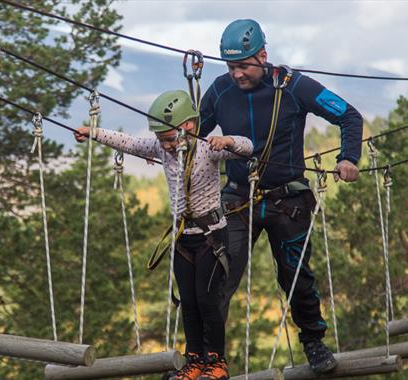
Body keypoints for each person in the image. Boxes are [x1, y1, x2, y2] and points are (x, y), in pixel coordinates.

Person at [199, 19, 363, 374]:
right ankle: (207, 359)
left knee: (295, 275)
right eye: (231, 66)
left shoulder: (294, 86)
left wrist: (348, 157)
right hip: (237, 199)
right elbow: (192, 134)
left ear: (263, 55)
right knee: (219, 275)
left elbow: (349, 116)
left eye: (243, 65)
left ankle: (313, 343)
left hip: (287, 201)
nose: (237, 74)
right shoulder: (218, 90)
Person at [75, 90, 253, 380]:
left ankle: (216, 361)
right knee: (189, 302)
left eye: (171, 139)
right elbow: (129, 142)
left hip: (212, 236)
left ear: (189, 128)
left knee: (209, 300)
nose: (167, 146)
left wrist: (228, 140)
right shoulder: (160, 150)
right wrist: (92, 132)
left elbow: (247, 147)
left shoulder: (208, 148)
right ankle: (194, 359)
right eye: (162, 140)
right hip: (184, 238)